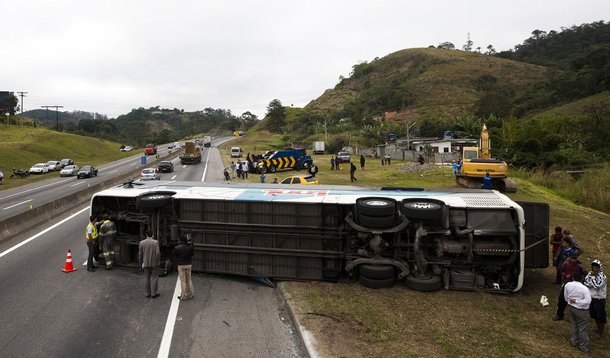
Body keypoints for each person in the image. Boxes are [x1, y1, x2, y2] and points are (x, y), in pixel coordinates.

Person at [554, 252, 587, 321]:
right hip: (566, 284)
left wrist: (583, 282)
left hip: (576, 286)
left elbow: (585, 273)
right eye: (572, 258)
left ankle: (577, 316)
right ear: (569, 258)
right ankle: (559, 315)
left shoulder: (579, 266)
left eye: (575, 258)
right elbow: (561, 271)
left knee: (576, 300)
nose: (573, 260)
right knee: (562, 299)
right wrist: (565, 275)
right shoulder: (565, 264)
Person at [564, 271, 592, 353]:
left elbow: (566, 296)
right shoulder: (584, 289)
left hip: (572, 308)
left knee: (575, 325)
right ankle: (583, 346)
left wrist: (571, 302)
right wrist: (577, 302)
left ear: (573, 278)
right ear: (582, 279)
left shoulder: (568, 285)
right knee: (582, 328)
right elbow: (588, 301)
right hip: (582, 310)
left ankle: (574, 340)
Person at [584, 259, 607, 337]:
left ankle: (600, 332)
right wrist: (592, 282)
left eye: (596, 268)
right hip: (591, 297)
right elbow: (586, 282)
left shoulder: (603, 276)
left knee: (600, 315)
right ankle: (597, 327)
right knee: (593, 314)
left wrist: (593, 279)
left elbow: (597, 286)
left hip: (599, 299)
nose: (595, 269)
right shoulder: (590, 274)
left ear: (600, 268)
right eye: (593, 267)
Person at [171, 235, 194, 301]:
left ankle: (184, 296)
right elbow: (192, 254)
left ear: (180, 240)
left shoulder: (177, 248)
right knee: (189, 279)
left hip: (181, 265)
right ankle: (191, 294)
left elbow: (173, 255)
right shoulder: (190, 247)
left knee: (183, 280)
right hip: (188, 264)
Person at [139, 230, 160, 298]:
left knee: (146, 278)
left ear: (146, 235)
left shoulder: (141, 243)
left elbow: (140, 254)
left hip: (145, 263)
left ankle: (147, 293)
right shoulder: (155, 242)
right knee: (154, 278)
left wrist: (141, 262)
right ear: (153, 235)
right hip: (154, 263)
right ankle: (154, 293)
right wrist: (158, 261)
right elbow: (157, 253)